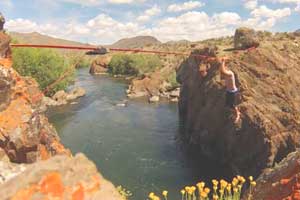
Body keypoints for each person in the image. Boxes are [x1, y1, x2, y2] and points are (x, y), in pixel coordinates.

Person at [219, 57, 241, 124]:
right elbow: (221, 71)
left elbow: (222, 71)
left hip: (233, 92)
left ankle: (238, 114)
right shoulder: (227, 73)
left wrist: (223, 61)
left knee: (233, 105)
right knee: (229, 105)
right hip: (229, 91)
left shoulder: (230, 73)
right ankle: (234, 112)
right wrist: (222, 62)